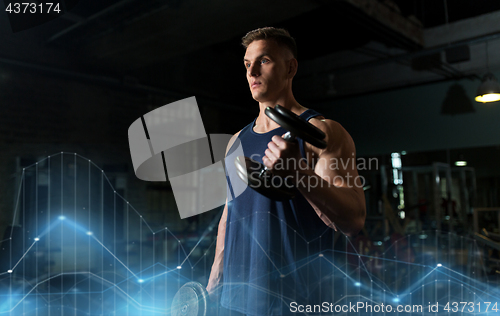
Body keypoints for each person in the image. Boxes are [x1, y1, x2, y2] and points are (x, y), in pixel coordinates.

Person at [206, 27, 366, 316]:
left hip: (295, 300)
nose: (252, 71)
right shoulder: (236, 141)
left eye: (264, 60)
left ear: (290, 67)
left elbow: (353, 220)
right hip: (235, 299)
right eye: (246, 64)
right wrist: (216, 273)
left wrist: (298, 172)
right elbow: (231, 212)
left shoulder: (324, 132)